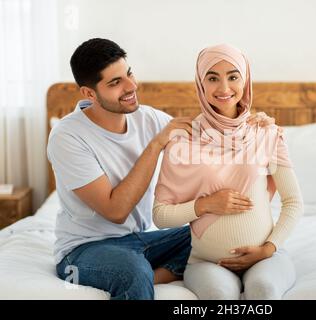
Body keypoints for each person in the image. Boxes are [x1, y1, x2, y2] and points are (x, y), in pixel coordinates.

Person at [47, 38, 275, 300]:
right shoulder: (67, 136)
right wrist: (156, 144)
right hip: (84, 250)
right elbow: (115, 211)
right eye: (115, 83)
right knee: (131, 272)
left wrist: (249, 125)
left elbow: (208, 139)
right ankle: (144, 273)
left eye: (128, 73)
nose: (131, 86)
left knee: (212, 237)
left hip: (143, 240)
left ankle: (153, 274)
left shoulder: (149, 117)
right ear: (89, 94)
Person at [153, 44, 304, 299]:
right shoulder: (182, 140)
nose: (224, 88)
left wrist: (268, 249)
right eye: (213, 78)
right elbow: (160, 215)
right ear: (201, 84)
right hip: (208, 263)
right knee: (218, 296)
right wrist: (205, 205)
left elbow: (293, 202)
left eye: (233, 77)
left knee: (264, 290)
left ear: (245, 81)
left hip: (265, 257)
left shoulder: (265, 133)